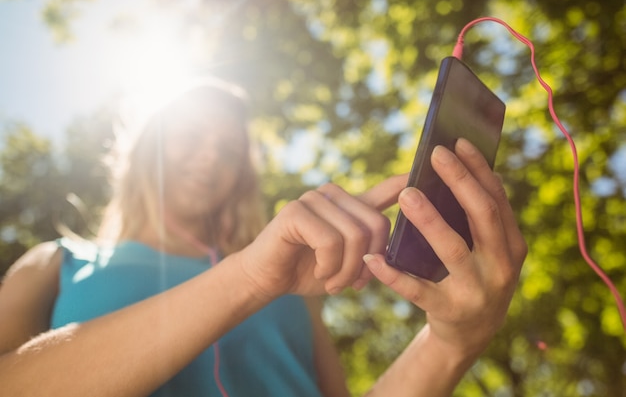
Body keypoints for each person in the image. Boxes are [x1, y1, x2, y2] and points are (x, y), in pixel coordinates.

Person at [0, 77, 527, 397]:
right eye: (190, 136)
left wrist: (451, 342)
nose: (209, 157)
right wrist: (246, 278)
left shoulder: (296, 289)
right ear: (146, 148)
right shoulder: (57, 262)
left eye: (227, 149)